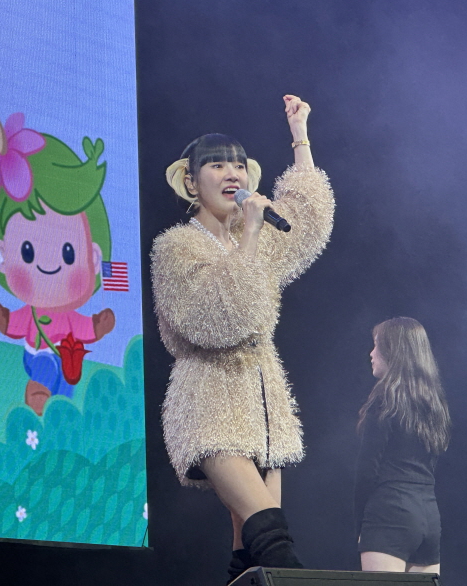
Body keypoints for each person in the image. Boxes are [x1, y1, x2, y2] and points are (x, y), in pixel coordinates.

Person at [151, 95, 334, 580]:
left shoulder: (253, 234)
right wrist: (250, 234)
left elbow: (309, 220)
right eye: (217, 165)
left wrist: (300, 136)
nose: (232, 173)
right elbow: (220, 317)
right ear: (192, 181)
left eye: (238, 165)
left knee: (250, 557)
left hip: (263, 406)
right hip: (210, 403)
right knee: (273, 540)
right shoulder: (175, 247)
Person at [355, 317, 451, 574]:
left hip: (390, 513)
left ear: (393, 350)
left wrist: (362, 527)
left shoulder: (385, 398)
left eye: (376, 345)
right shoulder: (434, 404)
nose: (371, 353)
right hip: (428, 515)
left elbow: (366, 470)